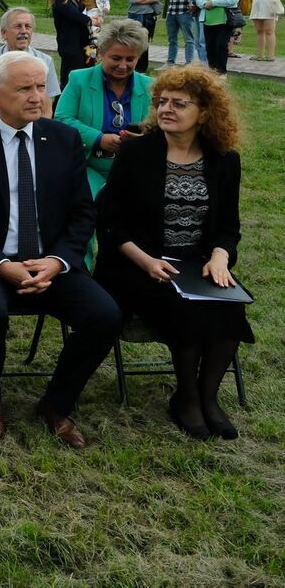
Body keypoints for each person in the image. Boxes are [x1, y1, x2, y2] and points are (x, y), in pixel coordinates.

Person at [0, 52, 121, 448]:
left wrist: (57, 261)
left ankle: (56, 404)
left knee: (105, 315)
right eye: (25, 88)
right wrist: (0, 265)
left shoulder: (64, 139)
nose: (37, 96)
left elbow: (81, 213)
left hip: (48, 262)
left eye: (41, 86)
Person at [95, 67, 247, 440]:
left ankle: (208, 397)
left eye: (180, 104)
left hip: (198, 263)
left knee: (231, 308)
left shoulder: (224, 159)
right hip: (135, 264)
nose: (167, 109)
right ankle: (187, 399)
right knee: (185, 309)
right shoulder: (136, 151)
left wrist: (219, 257)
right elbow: (110, 222)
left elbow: (229, 226)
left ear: (205, 112)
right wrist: (146, 261)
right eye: (162, 102)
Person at [55, 19, 153, 201]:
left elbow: (160, 126)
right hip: (88, 164)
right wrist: (99, 139)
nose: (123, 65)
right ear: (100, 53)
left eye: (130, 59)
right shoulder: (79, 79)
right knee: (93, 204)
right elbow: (62, 119)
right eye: (116, 58)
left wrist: (143, 139)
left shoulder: (150, 86)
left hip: (136, 167)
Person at [0, 7, 62, 116]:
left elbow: (46, 107)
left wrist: (41, 132)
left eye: (28, 26)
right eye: (18, 26)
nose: (23, 31)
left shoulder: (45, 61)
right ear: (4, 33)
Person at [50, 0, 100, 89]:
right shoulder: (60, 0)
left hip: (89, 44)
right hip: (72, 48)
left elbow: (88, 9)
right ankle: (59, 107)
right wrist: (91, 20)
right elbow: (76, 16)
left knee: (90, 72)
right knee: (70, 81)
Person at [195, 0, 241, 75]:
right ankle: (211, 72)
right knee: (209, 47)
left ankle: (221, 72)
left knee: (220, 46)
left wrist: (214, 2)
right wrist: (205, 4)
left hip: (225, 19)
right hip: (208, 19)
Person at [126, 0, 161, 73]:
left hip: (148, 16)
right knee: (134, 40)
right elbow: (132, 0)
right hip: (135, 16)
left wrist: (140, 0)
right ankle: (134, 64)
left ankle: (142, 67)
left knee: (145, 41)